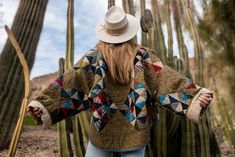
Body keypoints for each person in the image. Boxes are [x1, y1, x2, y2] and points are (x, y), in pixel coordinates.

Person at [28, 6, 213, 157]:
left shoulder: (94, 57)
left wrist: (46, 105)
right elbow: (165, 79)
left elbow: (72, 81)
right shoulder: (143, 57)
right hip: (135, 130)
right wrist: (194, 96)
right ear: (129, 32)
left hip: (102, 128)